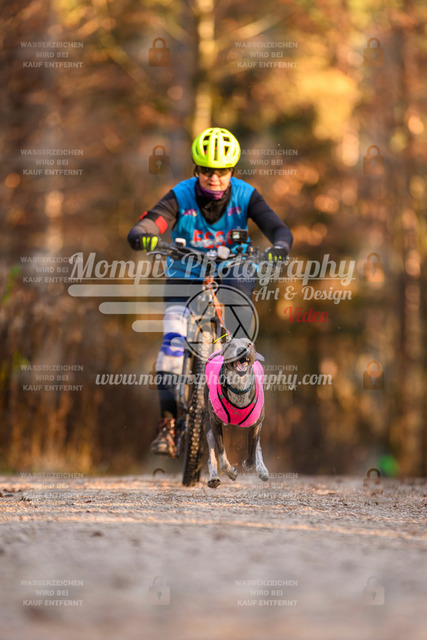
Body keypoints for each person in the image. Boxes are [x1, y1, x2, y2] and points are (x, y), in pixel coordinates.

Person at [128, 127, 293, 457]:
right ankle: (167, 425)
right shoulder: (181, 195)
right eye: (206, 170)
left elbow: (278, 228)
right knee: (172, 344)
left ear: (232, 171)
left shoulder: (246, 195)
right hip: (184, 274)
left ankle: (236, 379)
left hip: (232, 271)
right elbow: (153, 221)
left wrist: (279, 246)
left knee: (240, 312)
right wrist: (144, 233)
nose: (214, 177)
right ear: (196, 169)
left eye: (222, 171)